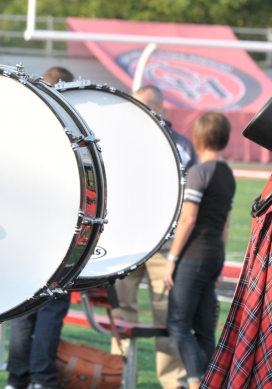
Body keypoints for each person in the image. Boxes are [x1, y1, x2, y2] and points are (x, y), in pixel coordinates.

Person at [110, 84, 192, 389]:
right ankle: (116, 375)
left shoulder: (180, 145)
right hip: (129, 241)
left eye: (146, 105)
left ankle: (173, 382)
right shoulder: (123, 141)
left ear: (162, 108)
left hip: (163, 242)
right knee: (121, 311)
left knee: (166, 312)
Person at [5, 66, 75, 389]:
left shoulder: (26, 126)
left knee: (24, 308)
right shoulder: (69, 131)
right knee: (51, 308)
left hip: (23, 232)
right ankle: (42, 378)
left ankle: (17, 378)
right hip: (55, 232)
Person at [163, 112, 233, 389]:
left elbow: (188, 219)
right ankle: (211, 383)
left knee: (178, 324)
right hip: (214, 253)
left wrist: (172, 259)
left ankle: (195, 383)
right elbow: (226, 224)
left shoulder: (198, 172)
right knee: (205, 328)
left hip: (193, 257)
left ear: (199, 137)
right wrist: (220, 261)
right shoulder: (228, 173)